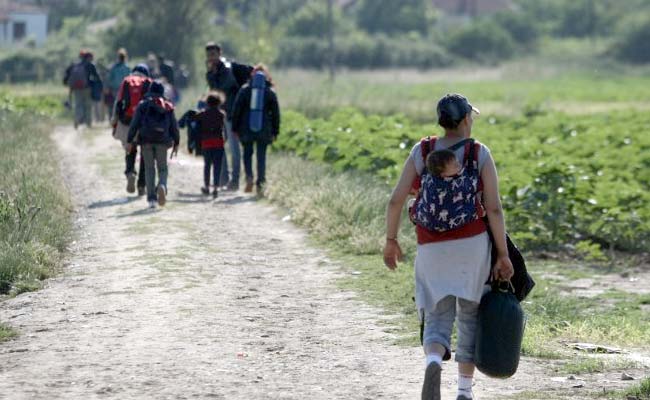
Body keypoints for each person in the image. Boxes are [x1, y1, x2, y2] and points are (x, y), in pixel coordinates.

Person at [383, 94, 514, 400]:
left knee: (437, 313)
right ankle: (464, 392)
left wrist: (391, 240)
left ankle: (432, 361)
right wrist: (503, 254)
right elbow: (493, 208)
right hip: (472, 245)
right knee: (469, 315)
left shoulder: (423, 150)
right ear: (466, 119)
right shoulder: (479, 153)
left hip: (431, 247)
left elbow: (396, 200)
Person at [205, 42, 253, 191]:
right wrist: (211, 73)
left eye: (213, 54)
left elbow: (223, 88)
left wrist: (213, 74)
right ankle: (223, 178)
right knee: (220, 146)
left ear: (219, 53)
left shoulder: (226, 69)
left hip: (232, 114)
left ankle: (235, 181)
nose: (211, 58)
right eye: (208, 55)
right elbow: (213, 90)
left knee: (234, 148)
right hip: (220, 114)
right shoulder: (213, 71)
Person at [126, 82, 179, 208]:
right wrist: (176, 142)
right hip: (162, 141)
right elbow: (174, 127)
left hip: (146, 141)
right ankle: (162, 186)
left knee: (149, 169)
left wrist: (129, 141)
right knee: (162, 168)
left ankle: (151, 199)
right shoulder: (168, 106)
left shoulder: (142, 105)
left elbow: (134, 124)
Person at [231, 64, 280, 194]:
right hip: (264, 129)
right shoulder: (270, 92)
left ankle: (249, 177)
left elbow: (237, 110)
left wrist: (234, 128)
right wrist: (275, 131)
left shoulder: (245, 89)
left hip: (246, 128)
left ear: (252, 74)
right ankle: (261, 183)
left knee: (247, 154)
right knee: (261, 156)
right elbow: (275, 114)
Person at [111, 64, 152, 195]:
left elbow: (118, 102)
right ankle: (142, 185)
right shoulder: (149, 83)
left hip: (127, 121)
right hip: (145, 123)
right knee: (145, 154)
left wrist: (114, 121)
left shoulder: (127, 81)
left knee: (130, 149)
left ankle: (130, 173)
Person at [190, 92, 226, 198]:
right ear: (219, 102)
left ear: (207, 102)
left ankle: (206, 186)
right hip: (218, 143)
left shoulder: (203, 114)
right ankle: (215, 187)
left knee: (207, 165)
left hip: (206, 143)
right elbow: (224, 130)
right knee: (217, 166)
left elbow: (194, 120)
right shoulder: (221, 114)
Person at [63, 50, 102, 129]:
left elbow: (66, 75)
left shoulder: (74, 65)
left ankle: (77, 119)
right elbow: (96, 77)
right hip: (87, 88)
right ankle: (88, 124)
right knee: (88, 106)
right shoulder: (90, 65)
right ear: (88, 57)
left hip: (76, 89)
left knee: (78, 105)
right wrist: (99, 86)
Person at [106, 48, 131, 116]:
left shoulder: (114, 67)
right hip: (124, 88)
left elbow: (109, 78)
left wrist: (108, 87)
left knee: (114, 103)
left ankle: (113, 117)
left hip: (115, 88)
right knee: (122, 103)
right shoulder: (127, 67)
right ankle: (120, 116)